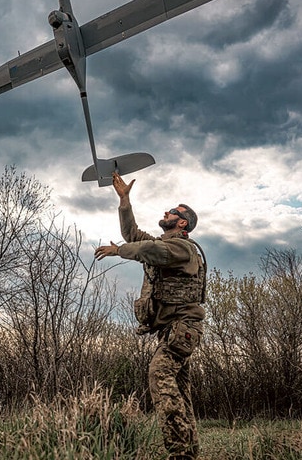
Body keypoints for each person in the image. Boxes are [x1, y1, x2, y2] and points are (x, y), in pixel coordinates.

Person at [95, 172, 206, 460]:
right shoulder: (166, 245)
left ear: (182, 223)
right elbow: (134, 236)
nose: (167, 212)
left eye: (174, 212)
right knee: (180, 390)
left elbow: (147, 249)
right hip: (174, 330)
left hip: (182, 328)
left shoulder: (180, 247)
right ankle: (189, 452)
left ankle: (179, 452)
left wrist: (120, 252)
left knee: (159, 375)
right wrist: (124, 200)